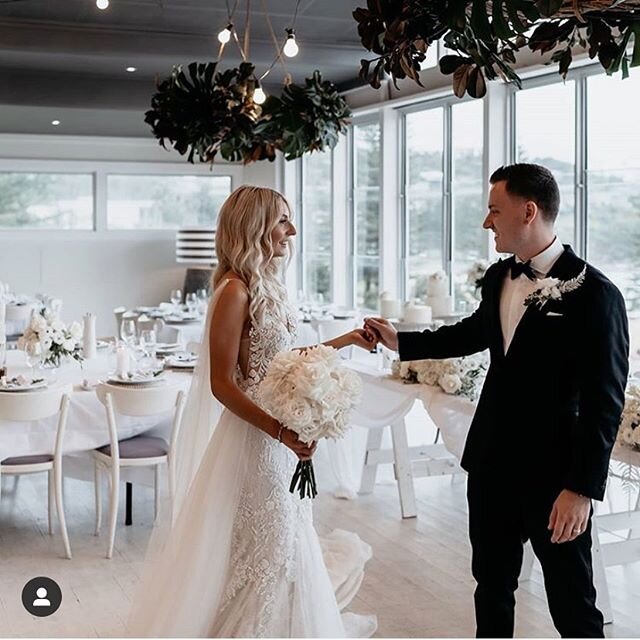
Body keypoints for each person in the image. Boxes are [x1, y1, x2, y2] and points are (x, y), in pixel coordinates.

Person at [365, 163, 629, 638]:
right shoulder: (498, 277)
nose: (487, 222)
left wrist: (582, 490)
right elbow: (474, 331)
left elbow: (603, 404)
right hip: (491, 466)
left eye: (494, 210)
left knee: (573, 605)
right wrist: (402, 342)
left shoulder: (597, 295)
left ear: (528, 212)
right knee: (491, 587)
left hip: (556, 479)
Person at [128, 185, 377, 638]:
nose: (293, 230)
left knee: (285, 545)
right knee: (267, 551)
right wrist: (280, 432)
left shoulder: (269, 287)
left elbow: (281, 359)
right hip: (256, 443)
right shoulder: (232, 292)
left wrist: (343, 342)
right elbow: (222, 383)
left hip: (283, 441)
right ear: (255, 227)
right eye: (283, 220)